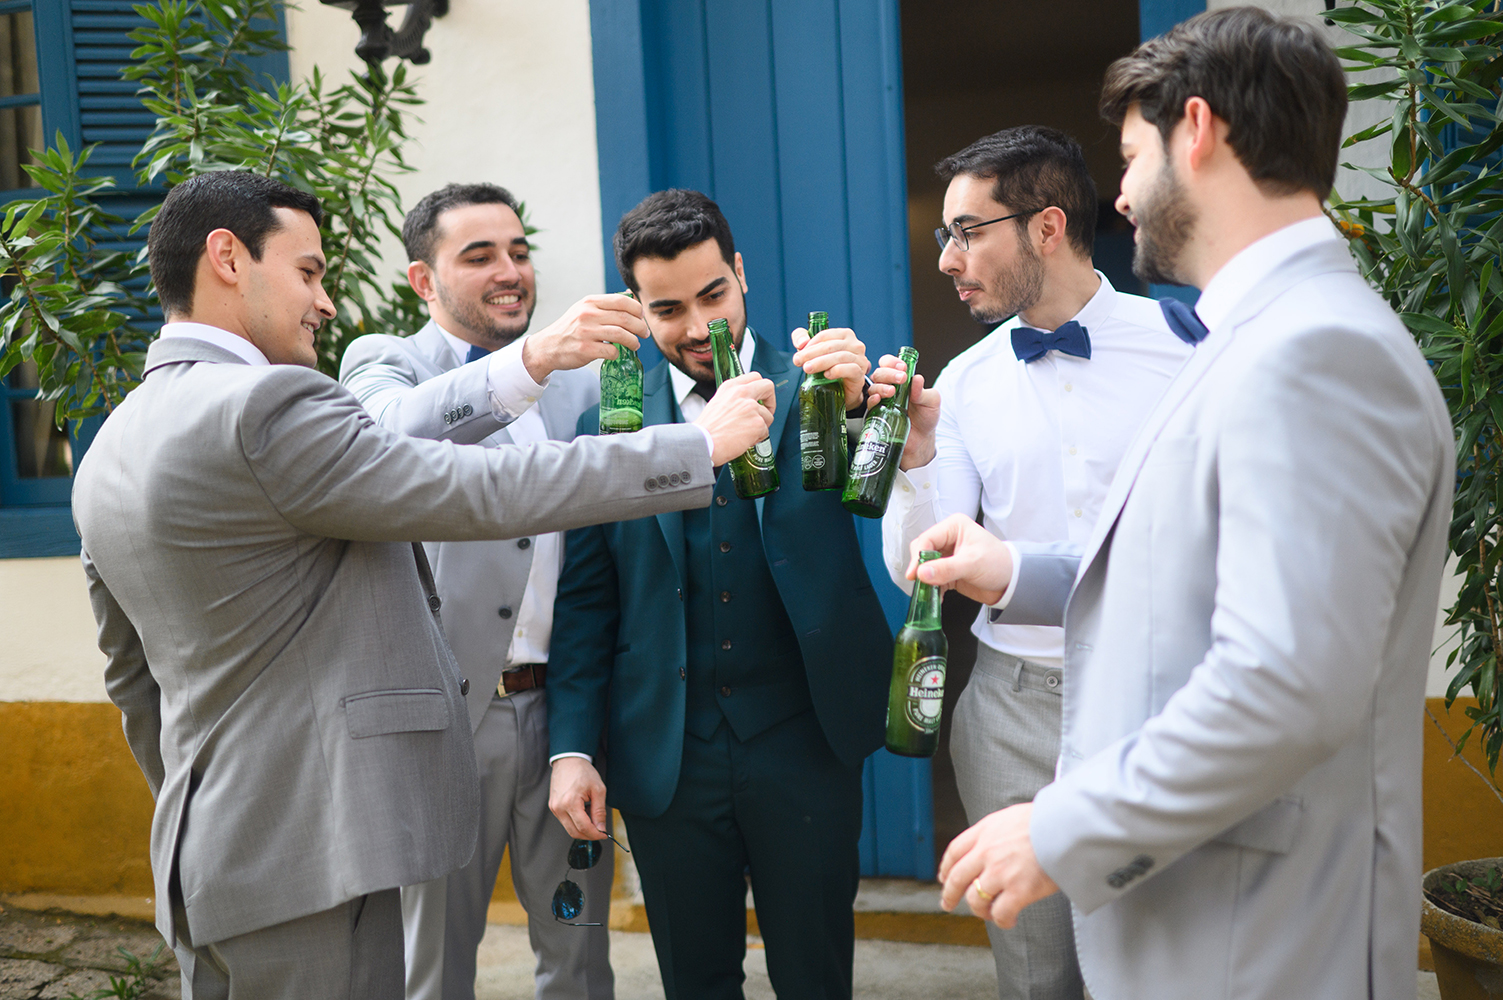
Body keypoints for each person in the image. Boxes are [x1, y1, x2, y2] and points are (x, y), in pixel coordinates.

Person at [72, 170, 777, 1000]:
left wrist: (213, 807)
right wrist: (694, 451)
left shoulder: (112, 440)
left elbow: (132, 680)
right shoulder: (266, 403)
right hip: (316, 853)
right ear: (227, 258)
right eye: (308, 272)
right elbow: (469, 488)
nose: (326, 303)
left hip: (212, 850)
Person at [910, 9, 1453, 999]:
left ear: (1194, 131)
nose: (1117, 195)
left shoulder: (1312, 352)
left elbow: (1284, 680)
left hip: (1251, 943)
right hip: (1204, 922)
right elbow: (1173, 574)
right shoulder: (1260, 338)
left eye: (1129, 155)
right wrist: (1018, 571)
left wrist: (1063, 824)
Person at [871, 125, 1190, 1000]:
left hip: (1157, 700)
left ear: (1046, 227)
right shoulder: (965, 382)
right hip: (1011, 713)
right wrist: (917, 458)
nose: (947, 259)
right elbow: (916, 569)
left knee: (1163, 962)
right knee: (1037, 974)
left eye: (967, 232)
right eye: (946, 236)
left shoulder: (1188, 348)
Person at [546, 189, 890, 1000]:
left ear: (739, 274)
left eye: (713, 296)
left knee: (816, 976)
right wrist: (570, 750)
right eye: (667, 309)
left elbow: (884, 486)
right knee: (694, 982)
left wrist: (863, 407)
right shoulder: (609, 429)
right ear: (636, 307)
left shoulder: (827, 390)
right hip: (667, 754)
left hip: (805, 742)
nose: (699, 327)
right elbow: (587, 606)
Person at [338, 182, 630, 1000]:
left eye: (518, 251)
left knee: (578, 956)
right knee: (433, 969)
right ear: (422, 282)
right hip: (440, 728)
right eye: (479, 256)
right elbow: (386, 440)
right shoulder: (382, 362)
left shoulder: (583, 386)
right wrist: (530, 360)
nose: (510, 272)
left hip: (565, 725)